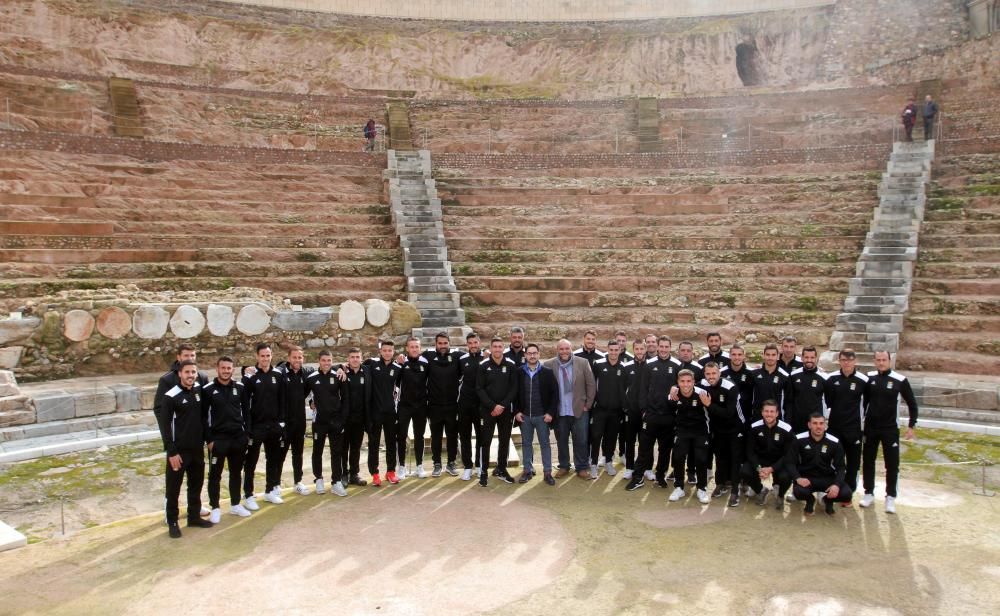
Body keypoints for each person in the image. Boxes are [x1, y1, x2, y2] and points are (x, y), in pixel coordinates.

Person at [153, 343, 211, 518]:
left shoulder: (201, 377)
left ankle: (195, 508)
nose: (190, 359)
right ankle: (170, 513)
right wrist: (170, 436)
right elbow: (159, 410)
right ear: (178, 358)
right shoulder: (167, 380)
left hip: (196, 441)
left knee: (196, 479)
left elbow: (205, 408)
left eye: (192, 355)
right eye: (186, 356)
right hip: (177, 441)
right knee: (174, 482)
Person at [861, 351, 918, 514]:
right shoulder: (869, 378)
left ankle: (890, 496)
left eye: (884, 360)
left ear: (889, 361)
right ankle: (868, 493)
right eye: (878, 360)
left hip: (890, 429)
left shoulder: (900, 380)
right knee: (868, 461)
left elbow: (912, 404)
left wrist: (911, 426)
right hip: (871, 427)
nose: (881, 363)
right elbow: (863, 402)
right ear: (874, 361)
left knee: (892, 464)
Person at [628, 335, 682, 490]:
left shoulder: (677, 365)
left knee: (665, 450)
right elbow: (642, 390)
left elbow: (683, 387)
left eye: (667, 346)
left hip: (668, 416)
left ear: (670, 347)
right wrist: (644, 410)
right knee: (644, 448)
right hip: (650, 415)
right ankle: (638, 478)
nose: (664, 349)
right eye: (662, 346)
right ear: (657, 347)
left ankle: (660, 477)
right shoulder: (649, 364)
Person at [203, 356, 252, 521]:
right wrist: (209, 440)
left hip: (238, 438)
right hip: (218, 440)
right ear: (217, 369)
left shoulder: (240, 387)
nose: (226, 371)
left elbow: (246, 412)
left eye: (229, 368)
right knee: (215, 475)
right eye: (223, 368)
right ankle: (215, 507)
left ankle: (236, 505)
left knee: (236, 473)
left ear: (233, 369)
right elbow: (203, 417)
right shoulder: (208, 390)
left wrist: (247, 435)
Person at [242, 343, 286, 509]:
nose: (265, 359)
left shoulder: (278, 375)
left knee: (273, 459)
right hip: (256, 427)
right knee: (251, 462)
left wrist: (281, 422)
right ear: (257, 357)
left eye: (268, 355)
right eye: (262, 356)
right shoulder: (250, 376)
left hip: (273, 426)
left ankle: (269, 491)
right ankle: (248, 494)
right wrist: (248, 428)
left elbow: (282, 400)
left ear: (271, 356)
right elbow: (245, 404)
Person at [544, 339, 596, 480]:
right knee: (561, 440)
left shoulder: (582, 363)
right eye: (561, 349)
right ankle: (564, 466)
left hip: (579, 410)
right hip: (560, 411)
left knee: (581, 440)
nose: (564, 351)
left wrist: (588, 405)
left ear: (571, 348)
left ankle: (581, 468)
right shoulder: (549, 365)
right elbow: (545, 389)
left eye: (567, 348)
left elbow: (591, 384)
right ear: (557, 350)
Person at [790, 413, 853, 515]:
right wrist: (798, 478)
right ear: (809, 425)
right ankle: (810, 501)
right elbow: (790, 463)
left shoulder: (835, 442)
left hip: (828, 478)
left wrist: (836, 485)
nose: (818, 426)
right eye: (815, 423)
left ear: (825, 425)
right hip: (807, 478)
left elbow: (841, 468)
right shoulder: (798, 439)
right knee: (798, 492)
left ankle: (827, 501)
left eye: (821, 423)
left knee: (846, 494)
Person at [824, 349, 867, 498]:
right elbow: (828, 402)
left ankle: (848, 493)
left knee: (853, 464)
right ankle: (830, 490)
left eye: (849, 359)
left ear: (855, 361)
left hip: (854, 430)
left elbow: (866, 404)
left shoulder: (863, 380)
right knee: (833, 462)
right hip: (835, 429)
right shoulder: (831, 379)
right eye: (843, 359)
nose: (846, 362)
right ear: (839, 361)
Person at [514, 343, 559, 485]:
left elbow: (555, 395)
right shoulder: (519, 372)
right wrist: (516, 411)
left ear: (539, 354)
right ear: (525, 355)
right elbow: (514, 394)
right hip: (525, 416)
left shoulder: (547, 372)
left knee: (545, 444)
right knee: (526, 444)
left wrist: (550, 413)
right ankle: (527, 470)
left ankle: (547, 473)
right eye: (529, 353)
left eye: (535, 353)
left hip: (542, 416)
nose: (532, 355)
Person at [476, 337, 519, 486]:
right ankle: (483, 471)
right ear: (490, 348)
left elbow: (514, 388)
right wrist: (493, 406)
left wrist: (502, 405)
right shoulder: (483, 365)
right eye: (495, 346)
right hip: (488, 411)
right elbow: (479, 389)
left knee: (504, 441)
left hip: (505, 411)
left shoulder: (511, 365)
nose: (497, 349)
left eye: (500, 346)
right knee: (485, 442)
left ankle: (501, 469)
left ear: (503, 348)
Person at [306, 350, 349, 497]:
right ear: (319, 361)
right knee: (317, 451)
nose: (326, 363)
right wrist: (311, 401)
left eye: (329, 360)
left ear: (332, 361)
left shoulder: (338, 375)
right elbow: (305, 394)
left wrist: (342, 420)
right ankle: (318, 479)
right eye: (324, 360)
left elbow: (345, 399)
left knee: (336, 452)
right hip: (319, 422)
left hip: (336, 422)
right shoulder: (311, 378)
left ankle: (336, 482)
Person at [667, 370, 713, 504]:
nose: (685, 384)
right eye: (682, 381)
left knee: (701, 459)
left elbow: (711, 411)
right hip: (682, 430)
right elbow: (670, 411)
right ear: (678, 382)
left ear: (693, 382)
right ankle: (679, 487)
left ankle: (702, 489)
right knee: (678, 457)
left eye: (688, 381)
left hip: (700, 431)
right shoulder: (673, 395)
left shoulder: (702, 394)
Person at [741, 400, 795, 509]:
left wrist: (772, 469)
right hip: (761, 460)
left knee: (786, 476)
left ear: (777, 413)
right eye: (766, 411)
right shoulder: (754, 427)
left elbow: (788, 454)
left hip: (778, 461)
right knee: (744, 471)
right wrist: (758, 468)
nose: (769, 414)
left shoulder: (787, 429)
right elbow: (750, 452)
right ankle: (760, 490)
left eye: (772, 411)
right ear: (762, 412)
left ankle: (780, 495)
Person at [702, 362, 743, 506]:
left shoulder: (730, 387)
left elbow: (729, 413)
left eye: (714, 373)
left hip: (734, 428)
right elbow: (686, 386)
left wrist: (709, 405)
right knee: (720, 457)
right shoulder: (703, 384)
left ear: (719, 373)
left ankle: (735, 492)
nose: (711, 376)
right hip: (717, 429)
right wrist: (674, 389)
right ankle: (720, 484)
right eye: (708, 374)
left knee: (735, 459)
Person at [423, 332, 463, 477]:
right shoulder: (427, 357)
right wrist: (401, 358)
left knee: (452, 436)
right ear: (435, 344)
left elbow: (473, 354)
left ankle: (451, 463)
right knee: (436, 436)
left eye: (445, 343)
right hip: (434, 405)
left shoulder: (458, 357)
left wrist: (486, 353)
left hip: (453, 405)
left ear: (449, 343)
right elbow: (413, 358)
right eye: (440, 343)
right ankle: (437, 464)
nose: (443, 346)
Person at [276, 346, 312, 496]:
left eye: (300, 357)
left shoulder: (306, 373)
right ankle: (275, 484)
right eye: (295, 357)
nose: (297, 360)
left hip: (300, 421)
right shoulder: (281, 373)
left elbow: (327, 366)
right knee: (280, 454)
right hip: (284, 422)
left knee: (298, 454)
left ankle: (298, 482)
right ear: (289, 358)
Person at [364, 340, 401, 486]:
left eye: (390, 350)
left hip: (390, 412)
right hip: (375, 412)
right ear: (380, 351)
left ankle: (390, 472)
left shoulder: (398, 368)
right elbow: (354, 364)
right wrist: (342, 367)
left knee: (391, 443)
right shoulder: (371, 363)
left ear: (393, 352)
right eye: (385, 350)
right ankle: (375, 474)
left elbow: (400, 388)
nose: (387, 353)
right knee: (374, 444)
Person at [590, 340, 628, 478]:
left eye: (616, 350)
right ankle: (593, 464)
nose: (613, 352)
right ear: (607, 350)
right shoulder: (598, 364)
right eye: (611, 350)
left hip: (616, 411)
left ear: (620, 350)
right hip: (599, 409)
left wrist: (624, 408)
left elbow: (624, 389)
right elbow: (592, 385)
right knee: (596, 437)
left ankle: (608, 462)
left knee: (611, 438)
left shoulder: (623, 367)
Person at [397, 337, 430, 479]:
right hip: (404, 405)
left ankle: (419, 466)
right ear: (407, 348)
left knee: (419, 436)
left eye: (417, 346)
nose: (414, 349)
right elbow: (396, 382)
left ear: (420, 348)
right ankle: (402, 467)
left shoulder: (425, 364)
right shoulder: (401, 363)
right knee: (401, 436)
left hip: (421, 406)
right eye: (412, 347)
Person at [341, 348, 370, 487]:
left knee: (356, 448)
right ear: (348, 358)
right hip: (345, 419)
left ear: (361, 358)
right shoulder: (342, 372)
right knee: (343, 448)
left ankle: (354, 474)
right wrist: (339, 367)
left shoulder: (366, 372)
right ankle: (343, 475)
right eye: (352, 357)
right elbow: (331, 367)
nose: (355, 359)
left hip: (360, 419)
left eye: (357, 357)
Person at [457, 333, 484, 481]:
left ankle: (479, 466)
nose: (473, 345)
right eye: (470, 343)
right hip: (464, 405)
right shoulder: (461, 359)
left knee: (481, 436)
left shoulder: (486, 358)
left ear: (479, 343)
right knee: (465, 436)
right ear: (467, 345)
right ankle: (468, 466)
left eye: (475, 342)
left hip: (480, 406)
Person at [621, 339, 647, 479]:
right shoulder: (627, 366)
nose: (639, 352)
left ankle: (646, 468)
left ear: (645, 349)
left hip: (645, 412)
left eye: (641, 349)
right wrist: (626, 407)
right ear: (633, 350)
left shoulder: (650, 365)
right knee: (629, 441)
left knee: (645, 442)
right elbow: (622, 389)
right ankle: (630, 467)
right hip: (631, 412)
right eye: (636, 349)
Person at [785, 346, 827, 434]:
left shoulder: (824, 377)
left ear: (816, 358)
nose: (809, 360)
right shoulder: (793, 376)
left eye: (812, 357)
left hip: (815, 424)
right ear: (802, 358)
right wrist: (788, 421)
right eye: (806, 357)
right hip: (796, 422)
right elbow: (789, 400)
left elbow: (829, 400)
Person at [749, 343, 790, 423]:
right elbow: (749, 397)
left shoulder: (785, 376)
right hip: (757, 419)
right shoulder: (754, 374)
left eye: (773, 355)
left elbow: (788, 402)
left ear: (778, 356)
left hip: (777, 420)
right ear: (763, 355)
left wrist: (787, 421)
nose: (770, 358)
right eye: (767, 355)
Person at [722, 344, 754, 431]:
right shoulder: (721, 373)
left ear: (744, 356)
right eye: (734, 354)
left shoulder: (751, 373)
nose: (737, 357)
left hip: (746, 417)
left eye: (739, 354)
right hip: (726, 418)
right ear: (729, 356)